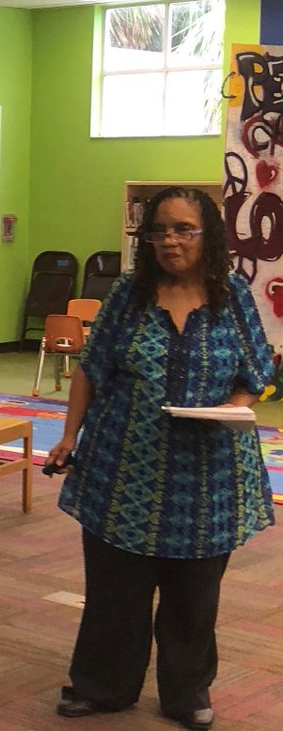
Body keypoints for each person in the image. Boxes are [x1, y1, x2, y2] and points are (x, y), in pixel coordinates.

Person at [46, 187, 274, 731]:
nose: (170, 241)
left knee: (193, 596)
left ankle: (187, 692)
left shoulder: (231, 295)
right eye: (159, 230)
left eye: (183, 230)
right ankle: (103, 687)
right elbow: (91, 368)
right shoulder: (128, 293)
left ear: (207, 235)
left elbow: (258, 372)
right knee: (114, 590)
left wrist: (232, 407)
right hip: (120, 469)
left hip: (209, 476)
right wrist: (68, 435)